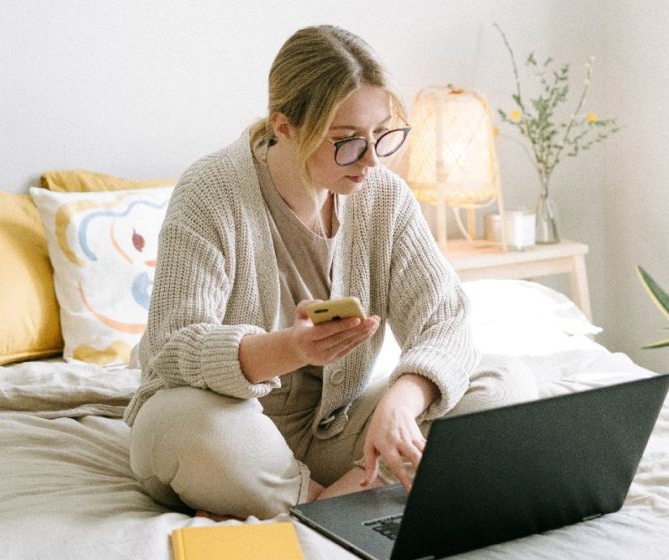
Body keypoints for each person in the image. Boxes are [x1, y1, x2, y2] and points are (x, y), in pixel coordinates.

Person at [124, 24, 536, 520]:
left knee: (504, 381)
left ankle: (330, 502)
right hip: (231, 430)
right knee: (179, 423)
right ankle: (352, 499)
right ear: (285, 127)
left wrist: (403, 401)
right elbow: (173, 346)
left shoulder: (383, 197)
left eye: (381, 135)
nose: (369, 161)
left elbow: (445, 322)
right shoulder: (209, 193)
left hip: (334, 434)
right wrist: (290, 349)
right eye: (345, 141)